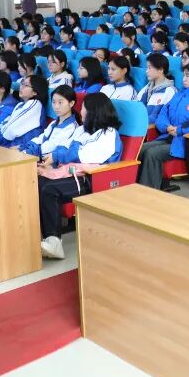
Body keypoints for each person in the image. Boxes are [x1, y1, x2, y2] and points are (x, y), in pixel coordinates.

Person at [38, 93, 123, 259]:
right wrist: (53, 160)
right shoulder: (82, 130)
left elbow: (83, 155)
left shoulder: (109, 134)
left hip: (92, 179)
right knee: (38, 181)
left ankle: (54, 242)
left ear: (94, 111)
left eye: (83, 108)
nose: (81, 111)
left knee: (49, 189)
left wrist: (59, 156)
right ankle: (44, 237)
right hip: (73, 173)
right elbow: (66, 148)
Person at [137, 60, 189, 191]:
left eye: (188, 75)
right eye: (184, 75)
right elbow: (163, 113)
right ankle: (135, 190)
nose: (183, 79)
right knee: (140, 149)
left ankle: (148, 193)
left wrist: (180, 130)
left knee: (152, 153)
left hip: (186, 143)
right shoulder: (179, 94)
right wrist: (166, 126)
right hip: (169, 137)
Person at [21, 85, 80, 158]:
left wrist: (27, 151)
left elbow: (50, 147)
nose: (56, 106)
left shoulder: (72, 127)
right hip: (38, 155)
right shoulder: (54, 123)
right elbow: (41, 138)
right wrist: (24, 147)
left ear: (71, 103)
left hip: (48, 161)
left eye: (60, 102)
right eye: (53, 102)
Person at [0, 73, 49, 148]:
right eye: (22, 83)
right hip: (12, 144)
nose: (21, 87)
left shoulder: (35, 104)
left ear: (35, 92)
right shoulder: (20, 104)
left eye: (26, 85)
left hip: (23, 147)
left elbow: (11, 129)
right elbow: (5, 124)